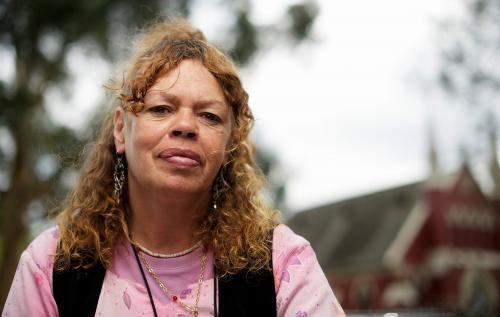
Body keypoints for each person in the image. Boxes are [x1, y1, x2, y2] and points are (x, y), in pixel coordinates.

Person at [2, 18, 345, 317]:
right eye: (161, 109)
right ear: (121, 130)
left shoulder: (282, 264)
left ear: (228, 146)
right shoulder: (50, 265)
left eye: (209, 116)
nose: (185, 126)